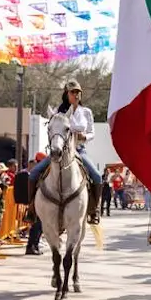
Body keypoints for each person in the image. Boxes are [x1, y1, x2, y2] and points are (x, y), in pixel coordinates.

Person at [31, 81, 104, 219]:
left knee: (97, 176)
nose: (76, 95)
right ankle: (31, 208)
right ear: (67, 94)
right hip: (60, 150)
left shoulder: (86, 112)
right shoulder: (59, 111)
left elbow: (91, 132)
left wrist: (84, 136)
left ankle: (94, 209)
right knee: (34, 172)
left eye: (78, 92)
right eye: (73, 92)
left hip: (79, 150)